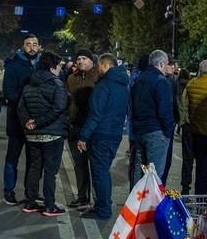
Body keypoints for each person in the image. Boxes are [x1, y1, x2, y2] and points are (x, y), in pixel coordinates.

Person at [77, 54, 129, 221]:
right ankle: (104, 202)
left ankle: (103, 208)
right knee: (104, 171)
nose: (97, 70)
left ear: (105, 66)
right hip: (115, 134)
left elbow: (95, 115)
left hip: (101, 134)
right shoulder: (123, 85)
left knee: (99, 173)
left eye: (99, 66)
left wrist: (83, 137)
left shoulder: (103, 86)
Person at [17, 51, 69, 216]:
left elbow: (21, 107)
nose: (60, 69)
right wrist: (39, 122)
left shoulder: (29, 84)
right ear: (52, 67)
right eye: (59, 66)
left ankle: (30, 202)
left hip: (32, 134)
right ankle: (49, 205)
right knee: (50, 170)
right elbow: (59, 108)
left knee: (34, 167)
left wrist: (28, 122)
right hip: (52, 133)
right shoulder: (57, 85)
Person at [1, 34, 40, 205]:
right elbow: (9, 93)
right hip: (17, 122)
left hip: (36, 123)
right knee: (12, 158)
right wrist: (29, 94)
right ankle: (8, 191)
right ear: (23, 46)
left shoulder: (41, 66)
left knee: (34, 160)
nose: (32, 47)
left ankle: (31, 193)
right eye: (28, 44)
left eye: (35, 44)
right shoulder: (13, 66)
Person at [128, 49, 175, 184]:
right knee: (153, 174)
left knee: (138, 170)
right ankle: (150, 205)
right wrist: (168, 132)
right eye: (166, 64)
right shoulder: (161, 81)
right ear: (161, 64)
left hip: (139, 131)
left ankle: (135, 203)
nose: (167, 67)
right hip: (156, 132)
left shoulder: (139, 79)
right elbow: (165, 110)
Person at [179, 59, 207, 196]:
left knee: (201, 173)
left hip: (195, 133)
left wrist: (185, 125)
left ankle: (198, 201)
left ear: (200, 70)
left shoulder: (191, 84)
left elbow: (183, 107)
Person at [65, 49, 98, 207]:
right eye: (78, 58)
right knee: (79, 163)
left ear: (91, 60)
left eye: (84, 58)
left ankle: (98, 198)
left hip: (93, 127)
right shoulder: (71, 78)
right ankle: (82, 195)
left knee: (95, 164)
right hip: (76, 125)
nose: (80, 61)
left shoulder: (98, 75)